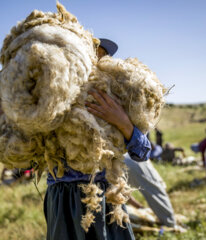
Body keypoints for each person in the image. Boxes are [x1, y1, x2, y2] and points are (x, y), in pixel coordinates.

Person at [44, 38, 151, 240]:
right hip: (63, 197)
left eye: (103, 56)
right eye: (92, 54)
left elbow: (143, 152)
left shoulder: (118, 97)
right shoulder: (55, 95)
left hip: (105, 195)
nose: (98, 59)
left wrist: (123, 121)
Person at [124, 153, 177, 228]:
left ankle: (169, 223)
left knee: (155, 191)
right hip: (133, 159)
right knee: (156, 191)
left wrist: (139, 207)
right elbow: (123, 193)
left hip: (123, 160)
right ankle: (170, 224)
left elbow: (122, 192)